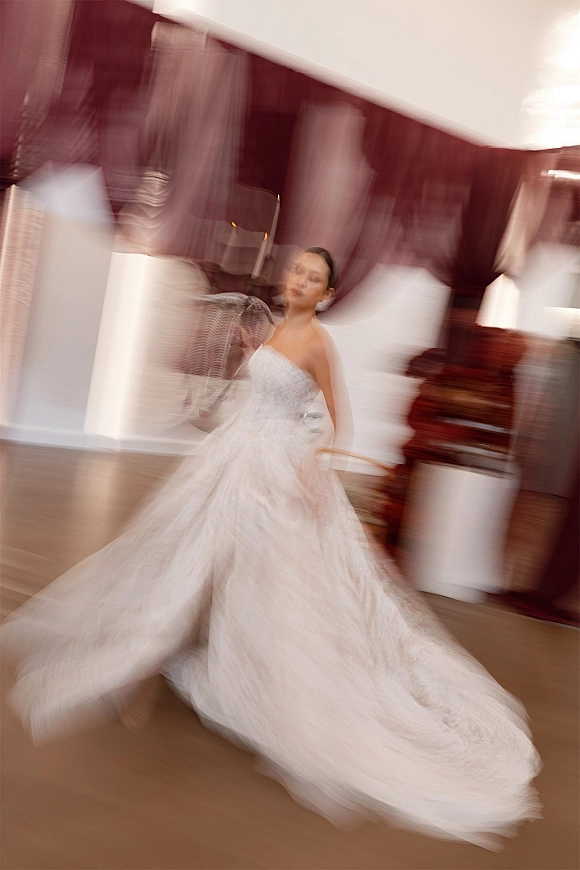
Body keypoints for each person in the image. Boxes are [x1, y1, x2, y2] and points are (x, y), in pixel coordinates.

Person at [2, 248, 540, 848]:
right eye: (297, 271)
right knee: (194, 552)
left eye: (314, 277)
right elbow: (256, 394)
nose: (301, 281)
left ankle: (250, 663)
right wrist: (243, 357)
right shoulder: (275, 327)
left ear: (327, 292)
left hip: (281, 471)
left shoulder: (318, 343)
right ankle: (176, 640)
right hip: (236, 458)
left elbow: (339, 418)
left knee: (273, 574)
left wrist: (317, 468)